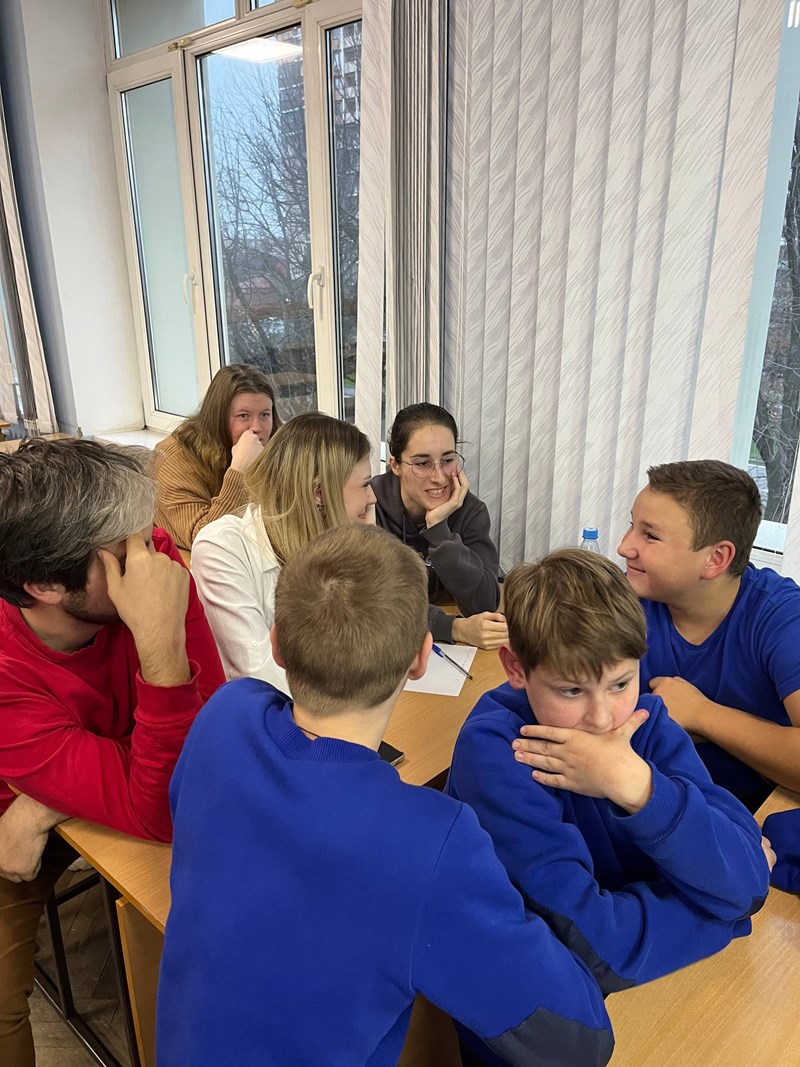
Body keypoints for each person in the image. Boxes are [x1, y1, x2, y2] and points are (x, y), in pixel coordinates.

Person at [158, 524, 614, 1067]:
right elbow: (577, 1041)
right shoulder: (431, 842)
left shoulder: (226, 714)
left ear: (275, 643)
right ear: (422, 657)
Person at [447, 549, 770, 1065]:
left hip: (651, 985)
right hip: (548, 1027)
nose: (602, 718)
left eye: (620, 683)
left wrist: (638, 787)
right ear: (515, 668)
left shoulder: (646, 721)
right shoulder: (499, 752)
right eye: (571, 690)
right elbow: (591, 947)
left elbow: (748, 878)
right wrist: (723, 916)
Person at [0, 438, 225, 1067]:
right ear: (45, 584)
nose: (152, 555)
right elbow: (164, 801)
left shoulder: (149, 560)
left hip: (48, 802)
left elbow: (201, 763)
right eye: (123, 548)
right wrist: (160, 646)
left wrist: (40, 801)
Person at [618, 459, 800, 809]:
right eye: (632, 526)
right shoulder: (626, 596)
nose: (625, 547)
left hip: (745, 815)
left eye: (650, 535)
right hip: (641, 797)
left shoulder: (782, 617)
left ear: (716, 558)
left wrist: (701, 715)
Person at [191, 412, 376, 690]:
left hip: (331, 705)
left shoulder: (330, 543)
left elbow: (374, 647)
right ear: (319, 493)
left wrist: (366, 547)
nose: (373, 498)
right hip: (268, 712)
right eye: (365, 485)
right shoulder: (221, 548)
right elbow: (259, 676)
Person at [373, 402, 507, 650]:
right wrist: (452, 628)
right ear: (395, 465)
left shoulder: (470, 511)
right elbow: (367, 602)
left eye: (447, 460)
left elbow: (485, 605)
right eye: (422, 463)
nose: (439, 477)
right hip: (382, 646)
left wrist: (439, 531)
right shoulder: (369, 505)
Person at [154, 363, 281, 549]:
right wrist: (240, 470)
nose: (257, 427)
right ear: (218, 418)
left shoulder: (275, 445)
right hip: (191, 560)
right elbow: (206, 541)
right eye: (243, 416)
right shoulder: (174, 459)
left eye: (265, 415)